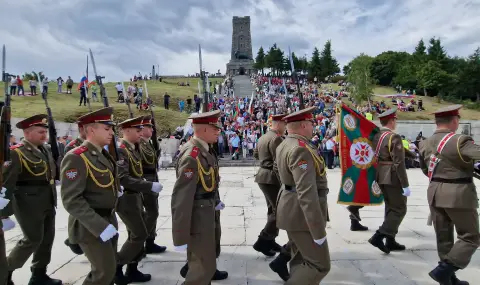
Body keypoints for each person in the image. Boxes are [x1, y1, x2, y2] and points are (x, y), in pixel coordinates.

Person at [60, 107, 128, 285]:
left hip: (107, 219)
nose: (111, 133)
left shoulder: (102, 154)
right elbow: (71, 200)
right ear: (91, 130)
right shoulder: (77, 157)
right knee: (103, 273)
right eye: (106, 129)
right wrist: (100, 227)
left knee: (109, 270)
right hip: (90, 225)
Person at [418, 105, 480, 285]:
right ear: (454, 121)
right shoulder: (460, 140)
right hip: (458, 193)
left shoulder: (425, 142)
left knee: (443, 236)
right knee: (470, 236)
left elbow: (425, 169)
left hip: (434, 191)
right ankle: (444, 271)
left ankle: (449, 279)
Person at [1, 114, 62, 285]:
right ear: (27, 133)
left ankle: (39, 274)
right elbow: (7, 183)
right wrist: (3, 214)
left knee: (47, 239)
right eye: (40, 132)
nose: (45, 135)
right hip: (28, 203)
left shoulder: (46, 149)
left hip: (48, 200)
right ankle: (6, 271)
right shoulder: (16, 153)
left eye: (45, 132)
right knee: (32, 239)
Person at [275, 106, 331, 284]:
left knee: (300, 259)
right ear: (304, 125)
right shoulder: (301, 149)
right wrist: (317, 229)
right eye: (311, 123)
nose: (313, 127)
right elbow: (306, 192)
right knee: (319, 264)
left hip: (291, 207)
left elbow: (279, 172)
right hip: (301, 214)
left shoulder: (284, 143)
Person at [171, 110, 226, 285]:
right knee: (202, 268)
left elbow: (210, 182)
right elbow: (181, 198)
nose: (218, 132)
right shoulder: (192, 156)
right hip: (198, 215)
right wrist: (180, 236)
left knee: (207, 261)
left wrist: (215, 200)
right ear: (202, 130)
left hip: (207, 209)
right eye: (214, 128)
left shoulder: (205, 150)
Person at [115, 116, 163, 282]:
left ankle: (132, 268)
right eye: (137, 130)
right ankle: (117, 264)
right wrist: (148, 186)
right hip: (127, 197)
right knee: (139, 234)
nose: (140, 132)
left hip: (135, 196)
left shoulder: (133, 148)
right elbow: (123, 178)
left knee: (136, 234)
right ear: (127, 131)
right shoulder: (122, 149)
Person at [252, 113, 291, 281]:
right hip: (271, 178)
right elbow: (279, 163)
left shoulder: (264, 137)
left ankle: (268, 240)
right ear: (279, 123)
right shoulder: (276, 139)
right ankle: (263, 240)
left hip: (263, 175)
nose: (285, 126)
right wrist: (284, 181)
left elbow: (255, 154)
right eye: (284, 123)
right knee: (278, 211)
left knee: (272, 210)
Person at [368, 108, 410, 254]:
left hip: (380, 174)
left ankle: (390, 240)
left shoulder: (378, 135)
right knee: (399, 209)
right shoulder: (394, 137)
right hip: (392, 176)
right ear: (392, 121)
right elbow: (399, 163)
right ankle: (379, 235)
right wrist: (405, 184)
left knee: (391, 207)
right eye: (395, 120)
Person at [139, 116, 167, 254]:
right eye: (148, 127)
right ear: (141, 129)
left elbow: (155, 157)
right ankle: (143, 240)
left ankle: (150, 241)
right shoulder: (139, 144)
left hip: (153, 178)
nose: (151, 129)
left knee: (154, 211)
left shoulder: (148, 143)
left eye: (151, 127)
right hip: (145, 179)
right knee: (151, 212)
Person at [63, 120, 88, 255]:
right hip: (79, 185)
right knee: (77, 216)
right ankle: (73, 239)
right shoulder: (72, 146)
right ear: (81, 129)